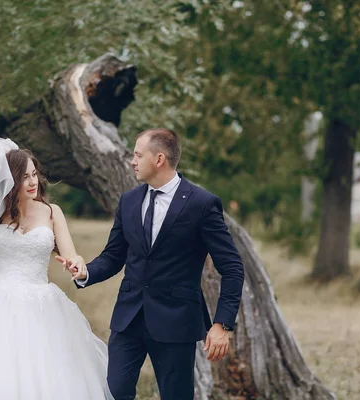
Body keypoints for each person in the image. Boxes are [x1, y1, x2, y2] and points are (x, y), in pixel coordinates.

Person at [62, 128, 245, 400]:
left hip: (176, 321)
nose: (132, 161)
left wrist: (223, 324)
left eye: (138, 155)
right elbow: (114, 256)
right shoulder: (129, 201)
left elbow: (232, 267)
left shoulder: (202, 204)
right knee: (114, 392)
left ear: (159, 159)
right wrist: (85, 271)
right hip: (128, 318)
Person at [0, 139, 113, 400]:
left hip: (41, 304)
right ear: (9, 181)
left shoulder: (52, 212)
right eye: (24, 177)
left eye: (34, 174)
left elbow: (71, 254)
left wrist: (77, 263)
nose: (32, 182)